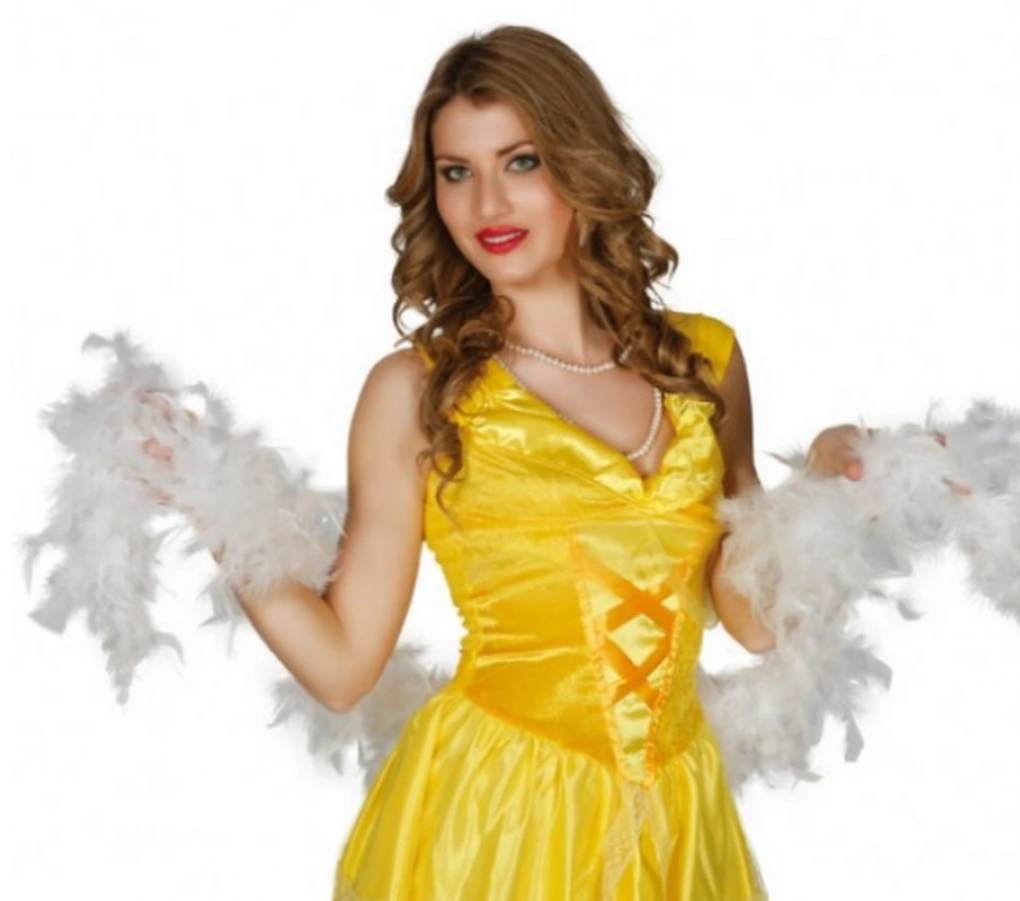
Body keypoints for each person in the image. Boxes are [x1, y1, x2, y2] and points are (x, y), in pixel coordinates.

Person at [144, 24, 869, 901]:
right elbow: (341, 666)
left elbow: (752, 619)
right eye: (456, 172)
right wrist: (215, 503)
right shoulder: (417, 394)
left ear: (582, 162)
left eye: (520, 162)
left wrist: (825, 482)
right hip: (500, 820)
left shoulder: (703, 361)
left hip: (677, 826)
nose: (487, 203)